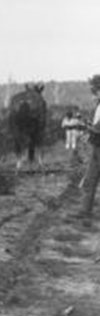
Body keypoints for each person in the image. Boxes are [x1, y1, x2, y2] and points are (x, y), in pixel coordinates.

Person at [75, 75, 100, 219]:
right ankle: (85, 211)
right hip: (97, 147)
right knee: (90, 180)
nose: (93, 95)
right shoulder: (98, 106)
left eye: (95, 91)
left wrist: (86, 127)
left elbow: (98, 128)